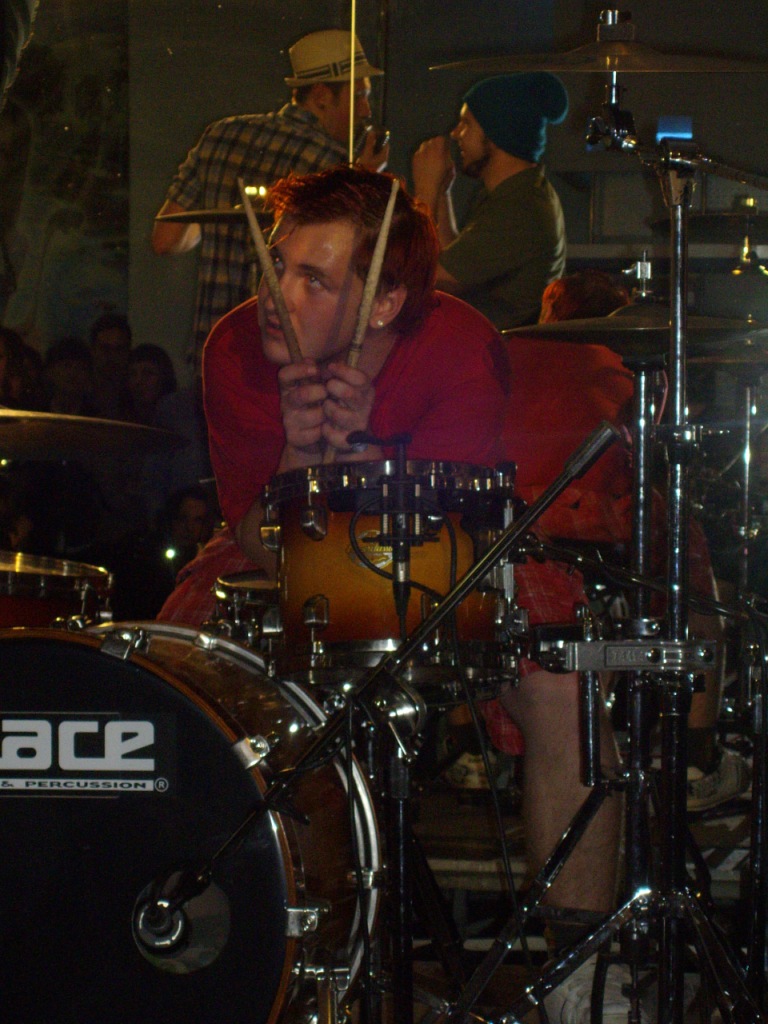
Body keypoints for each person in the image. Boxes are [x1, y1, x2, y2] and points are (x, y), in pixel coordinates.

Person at [157, 167, 623, 1022]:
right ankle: (203, 946)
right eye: (277, 265)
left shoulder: (458, 344)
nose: (276, 295)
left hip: (447, 540)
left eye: (313, 278)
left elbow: (455, 524)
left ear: (382, 302)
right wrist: (301, 461)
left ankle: (584, 980)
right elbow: (255, 537)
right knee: (172, 670)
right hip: (285, 548)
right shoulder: (235, 348)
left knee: (567, 685)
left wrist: (367, 455)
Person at [151, 28, 390, 363]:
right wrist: (363, 177)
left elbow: (166, 239)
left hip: (216, 351)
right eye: (360, 96)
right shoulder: (334, 165)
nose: (365, 111)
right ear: (321, 95)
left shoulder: (220, 134)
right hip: (286, 357)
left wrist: (224, 222)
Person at [412, 72, 568, 329]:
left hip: (496, 349)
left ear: (496, 134)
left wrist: (425, 191)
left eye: (466, 124)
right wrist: (441, 193)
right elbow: (454, 260)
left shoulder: (519, 209)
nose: (455, 134)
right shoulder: (515, 191)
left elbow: (429, 279)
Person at [88, 311, 133, 420]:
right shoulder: (79, 389)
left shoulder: (136, 391)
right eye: (105, 349)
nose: (112, 356)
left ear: (128, 351)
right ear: (93, 350)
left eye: (119, 349)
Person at [126, 342, 177, 425]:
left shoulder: (178, 419)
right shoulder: (121, 417)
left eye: (147, 373)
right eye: (133, 374)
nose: (138, 381)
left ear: (164, 377)